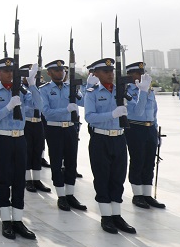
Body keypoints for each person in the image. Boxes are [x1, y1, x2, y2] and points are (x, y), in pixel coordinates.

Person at [0, 57, 42, 240]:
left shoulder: (23, 91)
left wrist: (32, 85)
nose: (10, 74)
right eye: (6, 71)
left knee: (19, 180)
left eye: (12, 71)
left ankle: (18, 220)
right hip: (3, 139)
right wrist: (9, 107)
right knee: (4, 179)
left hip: (20, 140)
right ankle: (6, 221)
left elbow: (39, 107)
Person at [84, 58, 138, 234]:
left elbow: (139, 110)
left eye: (111, 71)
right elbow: (90, 117)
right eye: (105, 72)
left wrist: (142, 92)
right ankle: (106, 217)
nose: (110, 74)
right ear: (96, 74)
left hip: (119, 139)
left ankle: (117, 215)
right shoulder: (91, 93)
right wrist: (112, 114)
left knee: (118, 178)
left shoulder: (121, 91)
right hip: (101, 139)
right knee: (102, 177)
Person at [38, 59, 86, 211]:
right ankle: (61, 196)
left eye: (63, 70)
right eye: (57, 71)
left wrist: (84, 89)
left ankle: (70, 194)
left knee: (72, 161)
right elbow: (46, 112)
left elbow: (84, 103)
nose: (60, 73)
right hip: (54, 129)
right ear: (50, 73)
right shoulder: (44, 90)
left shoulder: (70, 88)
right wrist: (66, 109)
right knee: (57, 162)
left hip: (70, 128)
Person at [123, 62, 164, 210]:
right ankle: (137, 195)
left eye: (142, 72)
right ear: (130, 75)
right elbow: (137, 111)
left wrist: (155, 129)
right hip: (135, 127)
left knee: (149, 161)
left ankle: (147, 194)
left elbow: (154, 111)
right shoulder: (127, 90)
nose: (141, 75)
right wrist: (142, 91)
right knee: (138, 160)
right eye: (137, 73)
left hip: (149, 128)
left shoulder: (149, 90)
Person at [19, 64, 50, 195]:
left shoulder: (36, 88)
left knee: (38, 150)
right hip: (26, 123)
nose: (31, 77)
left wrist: (33, 85)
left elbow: (40, 105)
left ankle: (37, 179)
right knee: (28, 151)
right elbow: (24, 107)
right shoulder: (20, 89)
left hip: (38, 123)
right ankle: (27, 180)